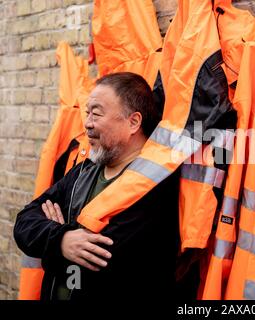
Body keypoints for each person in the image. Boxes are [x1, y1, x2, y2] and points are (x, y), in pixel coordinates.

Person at [14, 72, 180, 301]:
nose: (87, 124)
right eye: (87, 113)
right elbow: (24, 221)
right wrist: (61, 240)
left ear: (133, 122)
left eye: (97, 113)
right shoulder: (84, 171)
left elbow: (104, 263)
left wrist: (51, 247)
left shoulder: (156, 184)